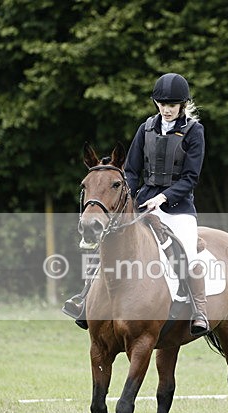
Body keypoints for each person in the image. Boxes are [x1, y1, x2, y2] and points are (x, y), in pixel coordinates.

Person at [63, 73, 209, 335]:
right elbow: (130, 170)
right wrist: (129, 199)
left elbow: (191, 177)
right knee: (108, 240)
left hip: (179, 208)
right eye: (162, 104)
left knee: (187, 251)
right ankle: (85, 298)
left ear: (182, 105)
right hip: (142, 202)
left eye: (172, 105)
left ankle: (199, 310)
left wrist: (163, 198)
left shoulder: (194, 131)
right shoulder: (146, 128)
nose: (166, 109)